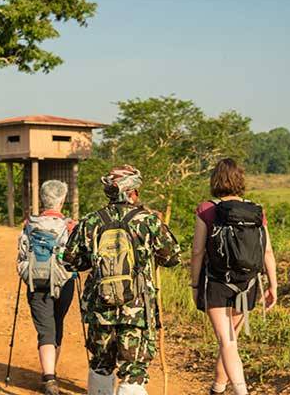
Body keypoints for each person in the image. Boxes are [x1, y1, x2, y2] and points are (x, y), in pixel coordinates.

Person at [61, 165, 181, 395]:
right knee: (133, 369)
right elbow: (172, 257)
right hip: (137, 309)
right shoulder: (148, 221)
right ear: (132, 190)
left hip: (100, 307)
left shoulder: (91, 221)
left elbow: (72, 261)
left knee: (101, 363)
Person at [190, 158, 278, 395]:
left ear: (215, 180)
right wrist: (273, 285)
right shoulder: (255, 209)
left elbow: (197, 251)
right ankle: (217, 388)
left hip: (217, 282)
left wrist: (194, 284)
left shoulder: (206, 209)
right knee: (230, 341)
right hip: (248, 283)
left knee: (226, 341)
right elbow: (267, 250)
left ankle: (241, 392)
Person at [16, 180, 77, 395]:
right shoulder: (70, 226)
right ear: (62, 200)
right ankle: (52, 372)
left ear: (42, 198)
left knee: (45, 328)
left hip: (36, 282)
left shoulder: (29, 224)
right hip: (64, 283)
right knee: (57, 322)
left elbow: (22, 255)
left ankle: (49, 377)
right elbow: (76, 257)